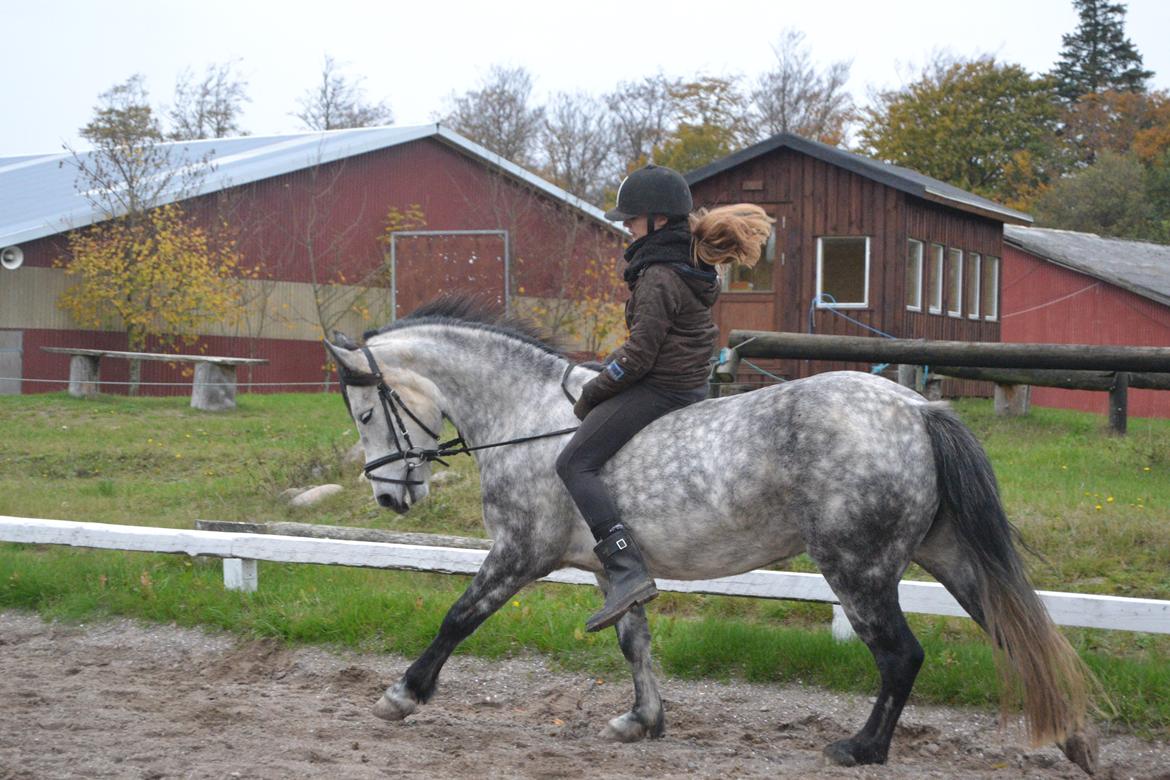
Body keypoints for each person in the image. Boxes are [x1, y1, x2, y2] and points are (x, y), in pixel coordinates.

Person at [556, 163, 774, 632]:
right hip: (685, 383)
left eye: (631, 219)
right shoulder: (692, 263)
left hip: (660, 388)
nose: (626, 228)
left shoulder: (657, 274)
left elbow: (638, 357)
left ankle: (625, 568)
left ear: (656, 220)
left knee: (574, 462)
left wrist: (592, 391)